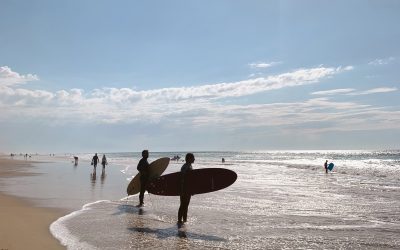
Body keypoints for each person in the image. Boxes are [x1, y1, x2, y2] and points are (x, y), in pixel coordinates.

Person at [178, 153, 195, 225]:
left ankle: (184, 220)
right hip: (184, 189)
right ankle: (179, 221)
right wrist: (181, 190)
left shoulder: (190, 166)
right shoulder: (185, 167)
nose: (194, 159)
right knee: (183, 205)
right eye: (193, 158)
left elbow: (190, 179)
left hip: (188, 189)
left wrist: (192, 189)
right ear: (189, 159)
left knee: (186, 205)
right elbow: (181, 179)